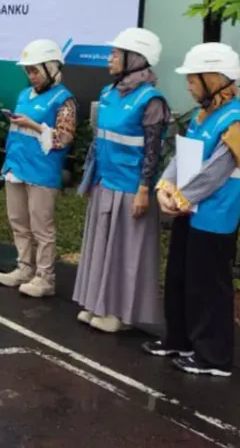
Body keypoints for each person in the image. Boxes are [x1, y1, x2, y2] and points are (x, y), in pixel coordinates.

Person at [148, 43, 240, 378]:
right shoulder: (202, 115)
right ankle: (179, 340)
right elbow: (182, 157)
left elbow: (215, 173)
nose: (189, 85)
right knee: (180, 277)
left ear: (214, 78)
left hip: (214, 218)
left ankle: (213, 357)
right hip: (189, 212)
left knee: (208, 287)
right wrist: (164, 187)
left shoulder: (236, 123)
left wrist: (179, 199)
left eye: (193, 78)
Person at [73, 28, 169, 331]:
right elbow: (98, 141)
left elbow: (154, 151)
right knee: (100, 247)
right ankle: (97, 304)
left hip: (130, 188)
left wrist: (144, 189)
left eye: (116, 53)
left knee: (126, 254)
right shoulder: (108, 93)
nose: (110, 59)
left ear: (135, 58)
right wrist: (90, 178)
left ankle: (119, 315)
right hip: (105, 181)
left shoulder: (152, 101)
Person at [0, 40, 78, 290]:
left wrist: (35, 126)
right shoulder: (24, 95)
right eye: (28, 71)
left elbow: (64, 138)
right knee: (18, 221)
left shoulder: (64, 100)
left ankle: (45, 277)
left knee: (41, 227)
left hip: (42, 171)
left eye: (35, 71)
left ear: (50, 69)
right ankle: (24, 268)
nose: (31, 76)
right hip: (16, 167)